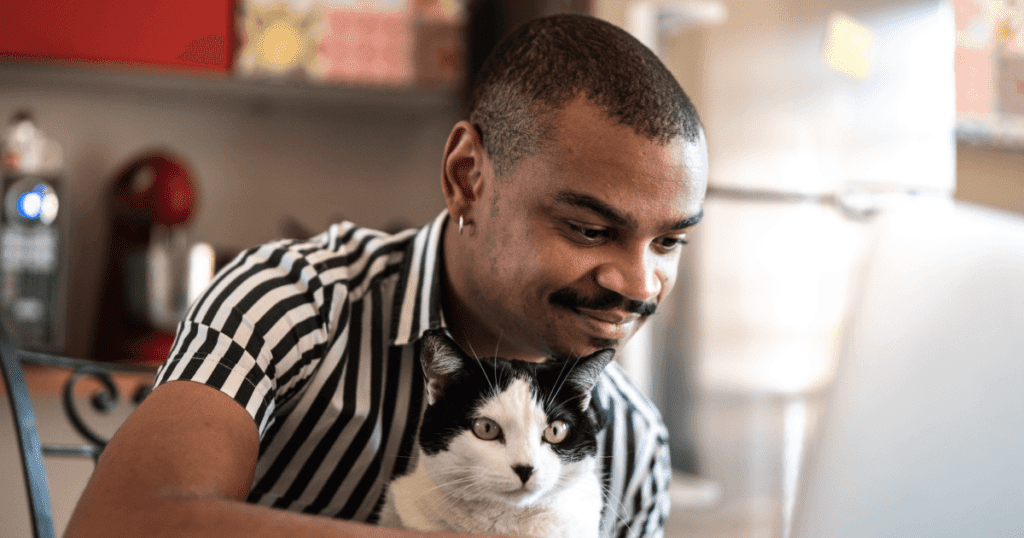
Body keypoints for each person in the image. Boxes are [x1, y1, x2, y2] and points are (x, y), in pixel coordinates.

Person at [66, 13, 708, 538]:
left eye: (669, 242)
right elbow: (120, 525)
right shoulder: (294, 303)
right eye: (590, 230)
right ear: (467, 178)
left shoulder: (631, 443)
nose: (641, 283)